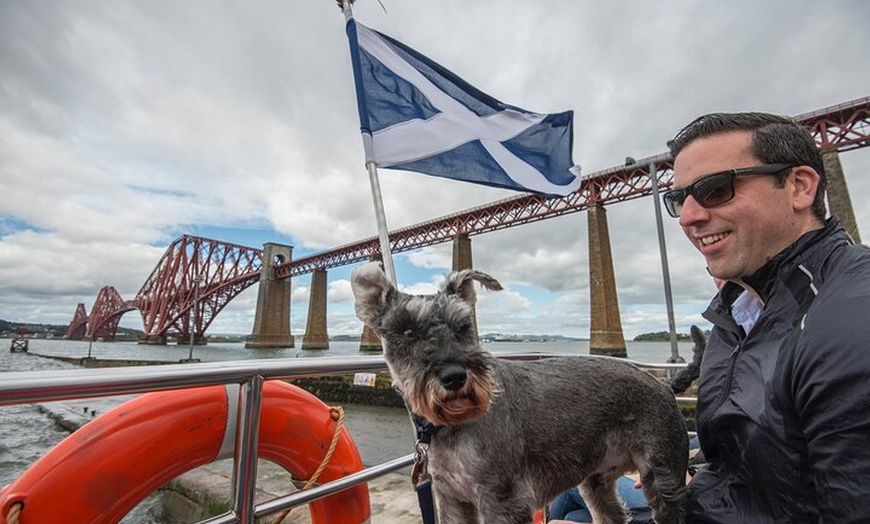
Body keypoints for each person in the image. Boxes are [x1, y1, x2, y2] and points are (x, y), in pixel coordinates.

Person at [661, 111, 870, 522]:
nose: (688, 217)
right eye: (678, 199)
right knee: (571, 499)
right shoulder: (738, 313)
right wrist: (692, 473)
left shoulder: (852, 320)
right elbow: (745, 463)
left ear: (800, 187)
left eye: (715, 189)